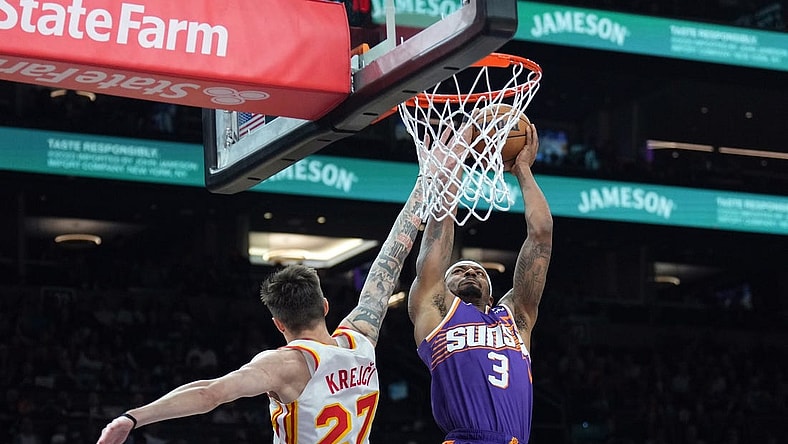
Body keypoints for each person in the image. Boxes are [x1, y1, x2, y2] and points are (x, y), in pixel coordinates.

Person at [95, 177, 426, 444]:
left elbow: (210, 394)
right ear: (325, 307)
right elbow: (391, 258)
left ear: (278, 323)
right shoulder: (361, 339)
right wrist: (424, 185)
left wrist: (133, 417)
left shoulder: (286, 365)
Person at [408, 120, 552, 444]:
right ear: (443, 287)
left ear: (491, 295)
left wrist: (523, 170)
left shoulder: (516, 318)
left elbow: (541, 235)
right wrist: (454, 167)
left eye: (478, 272)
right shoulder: (436, 312)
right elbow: (436, 242)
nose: (471, 272)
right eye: (459, 270)